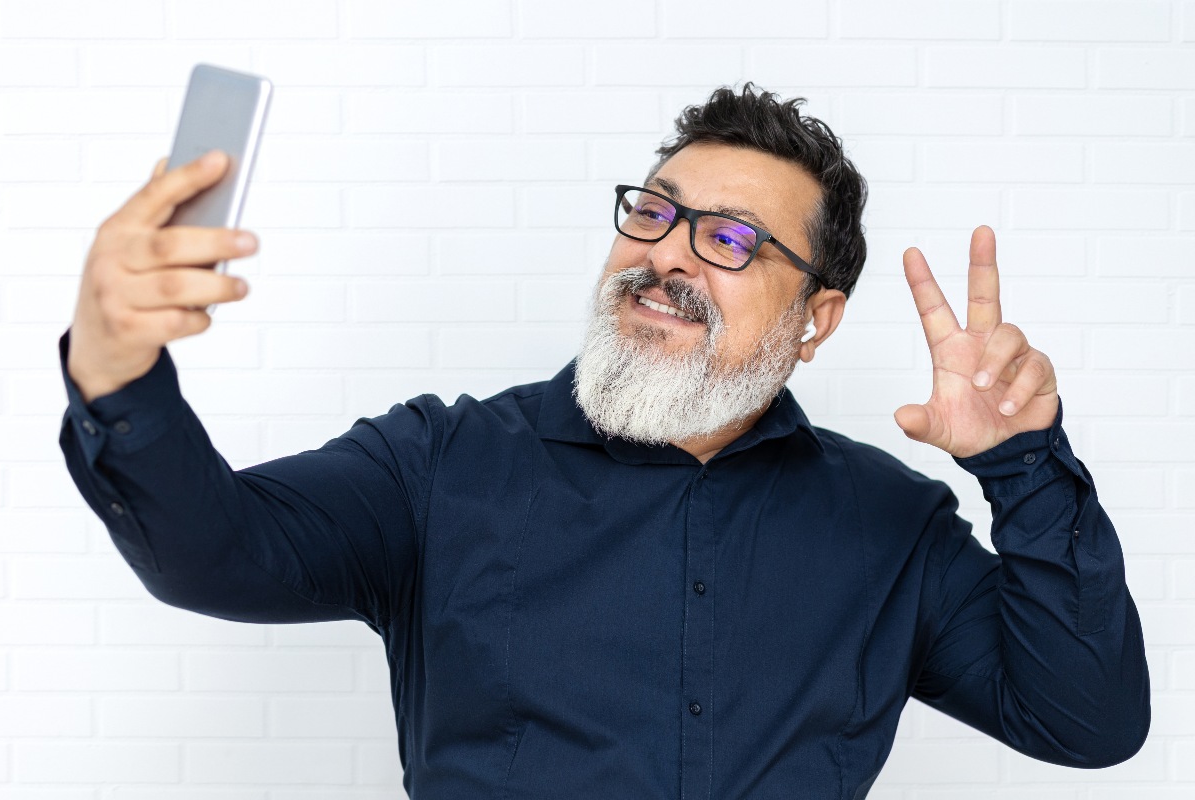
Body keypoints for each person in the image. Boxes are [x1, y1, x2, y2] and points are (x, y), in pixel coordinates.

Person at [59, 84, 1149, 799]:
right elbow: (215, 552)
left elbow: (1085, 721)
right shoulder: (438, 464)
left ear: (815, 318)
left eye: (728, 238)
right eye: (654, 211)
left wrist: (1023, 465)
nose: (667, 253)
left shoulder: (890, 527)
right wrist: (117, 368)